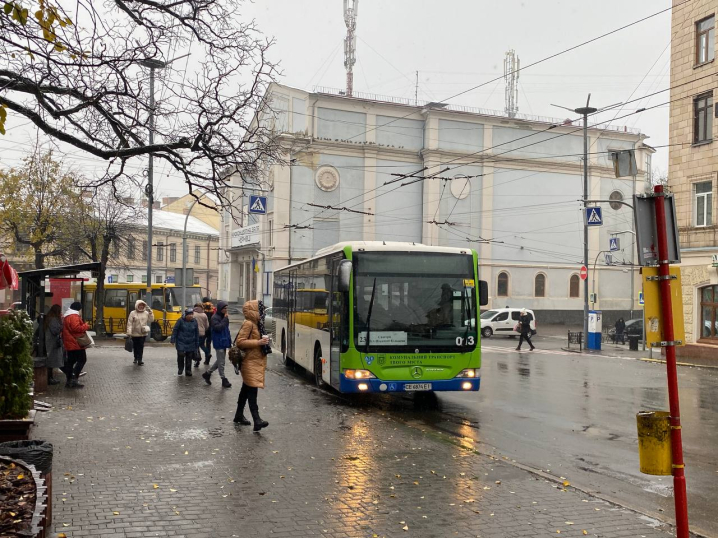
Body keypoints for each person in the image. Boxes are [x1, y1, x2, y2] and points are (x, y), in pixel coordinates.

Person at [233, 300, 271, 432]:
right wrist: (258, 342)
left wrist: (262, 342)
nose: (262, 313)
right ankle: (257, 420)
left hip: (254, 361)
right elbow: (240, 342)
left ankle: (238, 415)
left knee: (245, 390)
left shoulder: (257, 324)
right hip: (249, 362)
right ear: (254, 311)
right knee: (252, 391)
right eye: (260, 310)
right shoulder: (249, 323)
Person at [202, 300, 232, 388]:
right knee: (221, 362)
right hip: (218, 342)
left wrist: (229, 341)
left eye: (226, 308)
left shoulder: (224, 316)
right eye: (224, 308)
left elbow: (226, 330)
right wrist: (225, 319)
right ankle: (223, 379)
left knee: (220, 360)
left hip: (224, 341)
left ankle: (207, 373)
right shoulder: (215, 317)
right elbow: (218, 328)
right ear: (220, 308)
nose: (226, 310)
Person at [62, 301, 90, 388]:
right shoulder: (74, 316)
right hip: (75, 343)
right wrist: (85, 326)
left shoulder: (67, 316)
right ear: (78, 308)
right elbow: (76, 328)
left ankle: (69, 380)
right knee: (82, 360)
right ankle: (74, 378)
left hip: (70, 343)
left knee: (71, 362)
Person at [171, 308, 199, 376]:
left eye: (192, 314)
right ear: (186, 315)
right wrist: (173, 339)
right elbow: (175, 330)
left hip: (191, 342)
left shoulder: (194, 321)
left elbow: (196, 332)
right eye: (189, 314)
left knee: (189, 357)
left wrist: (197, 342)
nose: (191, 316)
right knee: (180, 355)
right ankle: (180, 368)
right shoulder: (180, 321)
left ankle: (188, 370)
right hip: (181, 341)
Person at [126, 299, 154, 365]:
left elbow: (151, 320)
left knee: (141, 346)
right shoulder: (132, 313)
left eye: (142, 305)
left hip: (142, 333)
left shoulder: (146, 313)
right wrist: (129, 332)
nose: (141, 307)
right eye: (140, 305)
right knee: (135, 346)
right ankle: (135, 357)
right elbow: (129, 323)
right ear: (137, 306)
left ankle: (140, 359)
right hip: (134, 333)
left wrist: (150, 312)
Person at [44, 304, 64, 385]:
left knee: (50, 361)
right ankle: (49, 378)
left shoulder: (49, 318)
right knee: (51, 361)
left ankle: (50, 378)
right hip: (52, 343)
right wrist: (62, 326)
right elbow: (55, 331)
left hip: (50, 342)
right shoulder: (53, 319)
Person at [193, 302, 210, 367]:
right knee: (202, 345)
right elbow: (207, 325)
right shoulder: (204, 314)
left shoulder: (193, 314)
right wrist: (204, 330)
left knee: (196, 347)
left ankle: (197, 361)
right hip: (202, 333)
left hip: (195, 333)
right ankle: (208, 353)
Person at [201, 297, 215, 364]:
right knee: (208, 343)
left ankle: (206, 354)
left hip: (204, 328)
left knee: (201, 343)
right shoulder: (213, 308)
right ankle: (207, 360)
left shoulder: (202, 308)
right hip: (211, 328)